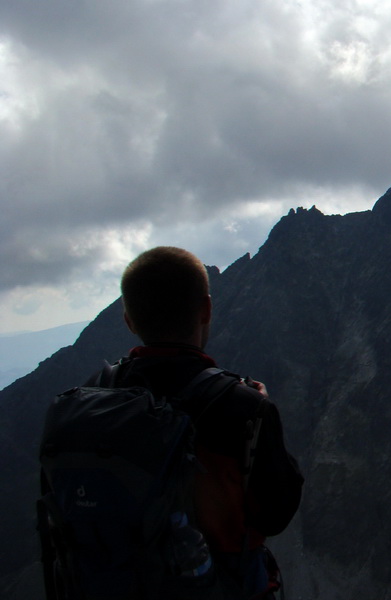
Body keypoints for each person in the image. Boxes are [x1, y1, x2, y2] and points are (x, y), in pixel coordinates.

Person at [105, 246, 302, 598]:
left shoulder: (95, 396)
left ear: (129, 320)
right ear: (206, 309)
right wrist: (263, 412)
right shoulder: (243, 408)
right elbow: (276, 514)